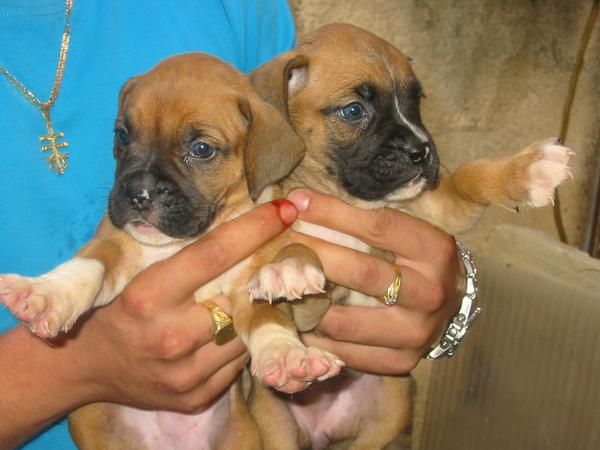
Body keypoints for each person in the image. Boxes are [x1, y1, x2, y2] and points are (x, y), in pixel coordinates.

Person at [0, 1, 463, 448]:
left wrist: (452, 296)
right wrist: (70, 367)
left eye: (201, 150)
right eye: (125, 137)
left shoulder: (237, 9)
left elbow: (307, 180)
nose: (141, 189)